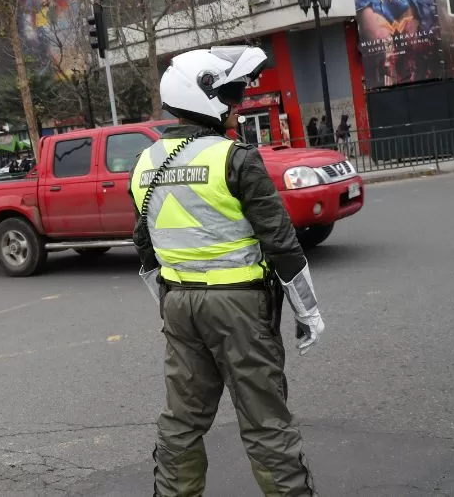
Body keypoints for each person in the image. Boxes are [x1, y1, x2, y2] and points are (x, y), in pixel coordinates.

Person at [129, 46, 324, 496]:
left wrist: (169, 305)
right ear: (204, 97)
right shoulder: (234, 157)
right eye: (233, 94)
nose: (239, 103)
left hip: (179, 306)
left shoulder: (145, 163)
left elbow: (145, 247)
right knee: (265, 421)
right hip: (239, 308)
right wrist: (307, 311)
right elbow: (281, 242)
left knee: (181, 420)